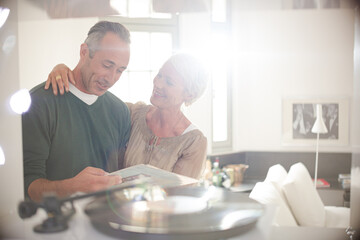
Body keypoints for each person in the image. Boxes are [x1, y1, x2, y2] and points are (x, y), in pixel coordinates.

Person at [45, 53, 208, 179]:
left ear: (189, 94)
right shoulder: (133, 113)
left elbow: (181, 198)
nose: (158, 84)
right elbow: (91, 99)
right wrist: (61, 69)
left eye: (169, 82)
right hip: (114, 213)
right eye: (159, 75)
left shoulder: (193, 142)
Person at [22, 21, 132, 202]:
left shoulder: (120, 111)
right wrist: (72, 187)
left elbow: (118, 174)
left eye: (120, 70)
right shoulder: (39, 103)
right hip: (54, 224)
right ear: (84, 52)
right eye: (106, 65)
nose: (111, 78)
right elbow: (27, 184)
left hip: (105, 222)